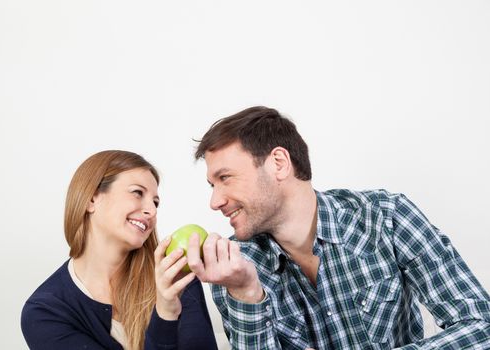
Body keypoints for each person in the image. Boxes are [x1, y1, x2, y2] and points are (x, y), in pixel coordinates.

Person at [187, 106, 490, 349]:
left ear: (278, 163)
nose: (215, 201)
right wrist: (246, 292)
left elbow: (481, 324)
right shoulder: (234, 266)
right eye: (212, 185)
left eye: (225, 178)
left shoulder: (385, 216)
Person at [21, 150, 218, 350]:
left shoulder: (172, 275)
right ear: (91, 199)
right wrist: (165, 315)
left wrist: (168, 309)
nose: (152, 210)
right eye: (137, 193)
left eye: (156, 202)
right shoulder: (45, 312)